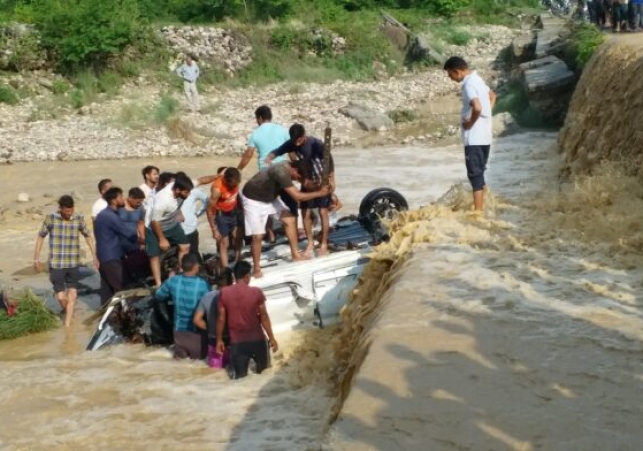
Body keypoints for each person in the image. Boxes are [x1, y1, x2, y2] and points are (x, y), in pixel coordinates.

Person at [240, 160, 330, 278]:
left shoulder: (289, 166)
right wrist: (320, 193)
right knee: (258, 236)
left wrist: (321, 185)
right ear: (295, 170)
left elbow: (306, 184)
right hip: (253, 200)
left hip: (270, 198)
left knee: (290, 220)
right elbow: (297, 196)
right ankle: (256, 267)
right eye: (297, 177)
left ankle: (295, 255)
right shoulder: (281, 172)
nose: (297, 180)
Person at [265, 123, 336, 257]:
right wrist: (269, 157)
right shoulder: (292, 143)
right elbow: (278, 151)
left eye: (299, 140)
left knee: (322, 211)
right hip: (306, 180)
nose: (296, 143)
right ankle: (310, 242)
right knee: (305, 213)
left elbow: (329, 160)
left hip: (322, 178)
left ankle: (324, 243)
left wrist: (332, 180)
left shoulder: (316, 143)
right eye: (294, 140)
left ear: (303, 136)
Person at [33, 195, 98, 327]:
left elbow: (87, 235)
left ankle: (68, 325)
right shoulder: (51, 219)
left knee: (73, 294)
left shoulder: (78, 218)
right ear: (60, 208)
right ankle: (67, 310)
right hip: (56, 264)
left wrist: (94, 255)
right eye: (67, 211)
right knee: (61, 297)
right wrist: (36, 258)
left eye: (71, 211)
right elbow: (41, 237)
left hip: (73, 263)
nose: (69, 214)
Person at [444, 56, 496, 213]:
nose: (450, 78)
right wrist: (487, 114)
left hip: (474, 137)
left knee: (475, 175)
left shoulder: (468, 84)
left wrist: (471, 122)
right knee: (479, 172)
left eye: (450, 75)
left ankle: (478, 212)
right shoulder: (478, 79)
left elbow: (477, 107)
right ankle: (488, 204)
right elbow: (492, 96)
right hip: (485, 136)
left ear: (457, 71)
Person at [216, 261, 278, 379]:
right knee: (265, 375)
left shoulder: (224, 293)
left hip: (237, 343)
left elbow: (221, 318)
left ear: (234, 276)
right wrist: (271, 338)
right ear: (247, 276)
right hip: (258, 341)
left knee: (240, 379)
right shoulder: (256, 292)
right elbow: (263, 316)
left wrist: (219, 340)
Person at [155, 253, 210, 359]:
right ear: (195, 267)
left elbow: (158, 295)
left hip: (178, 333)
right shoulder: (203, 285)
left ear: (182, 266)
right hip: (196, 334)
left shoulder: (172, 281)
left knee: (181, 364)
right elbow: (209, 304)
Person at [146, 172, 194, 287]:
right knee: (154, 255)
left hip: (171, 223)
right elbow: (154, 221)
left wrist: (217, 176)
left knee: (185, 246)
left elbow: (201, 180)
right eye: (187, 192)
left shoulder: (180, 185)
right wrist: (162, 239)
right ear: (177, 190)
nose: (189, 194)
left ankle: (181, 272)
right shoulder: (162, 200)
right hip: (153, 225)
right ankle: (158, 283)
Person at [94, 187, 138, 306]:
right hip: (112, 256)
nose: (123, 199)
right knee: (123, 287)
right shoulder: (110, 217)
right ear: (113, 200)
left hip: (104, 256)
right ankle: (125, 315)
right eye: (120, 197)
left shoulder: (103, 214)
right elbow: (128, 233)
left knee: (106, 289)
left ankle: (105, 316)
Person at [206, 167, 242, 270]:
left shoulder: (235, 179)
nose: (233, 186)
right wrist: (214, 230)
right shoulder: (217, 189)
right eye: (231, 185)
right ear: (226, 180)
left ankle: (238, 259)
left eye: (236, 184)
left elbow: (236, 195)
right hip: (222, 216)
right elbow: (209, 210)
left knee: (238, 236)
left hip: (234, 212)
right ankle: (225, 269)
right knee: (224, 243)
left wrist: (242, 209)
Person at [237, 105, 290, 171]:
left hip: (265, 169)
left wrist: (238, 169)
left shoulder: (255, 133)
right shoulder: (283, 130)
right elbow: (292, 151)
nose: (256, 121)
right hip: (283, 167)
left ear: (260, 118)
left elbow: (248, 155)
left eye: (256, 119)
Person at [193, 267, 234, 348]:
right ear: (231, 281)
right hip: (231, 338)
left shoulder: (206, 296)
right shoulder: (233, 296)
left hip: (213, 338)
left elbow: (196, 320)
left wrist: (210, 329)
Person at [118, 187, 148, 284]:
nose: (139, 204)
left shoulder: (140, 208)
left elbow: (140, 223)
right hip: (119, 242)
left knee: (134, 262)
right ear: (130, 198)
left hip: (134, 240)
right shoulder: (120, 206)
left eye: (141, 202)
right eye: (137, 202)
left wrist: (143, 240)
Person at [180, 185, 208, 259]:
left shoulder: (194, 192)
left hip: (190, 230)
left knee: (193, 253)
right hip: (177, 230)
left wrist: (198, 213)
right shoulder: (173, 194)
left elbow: (207, 200)